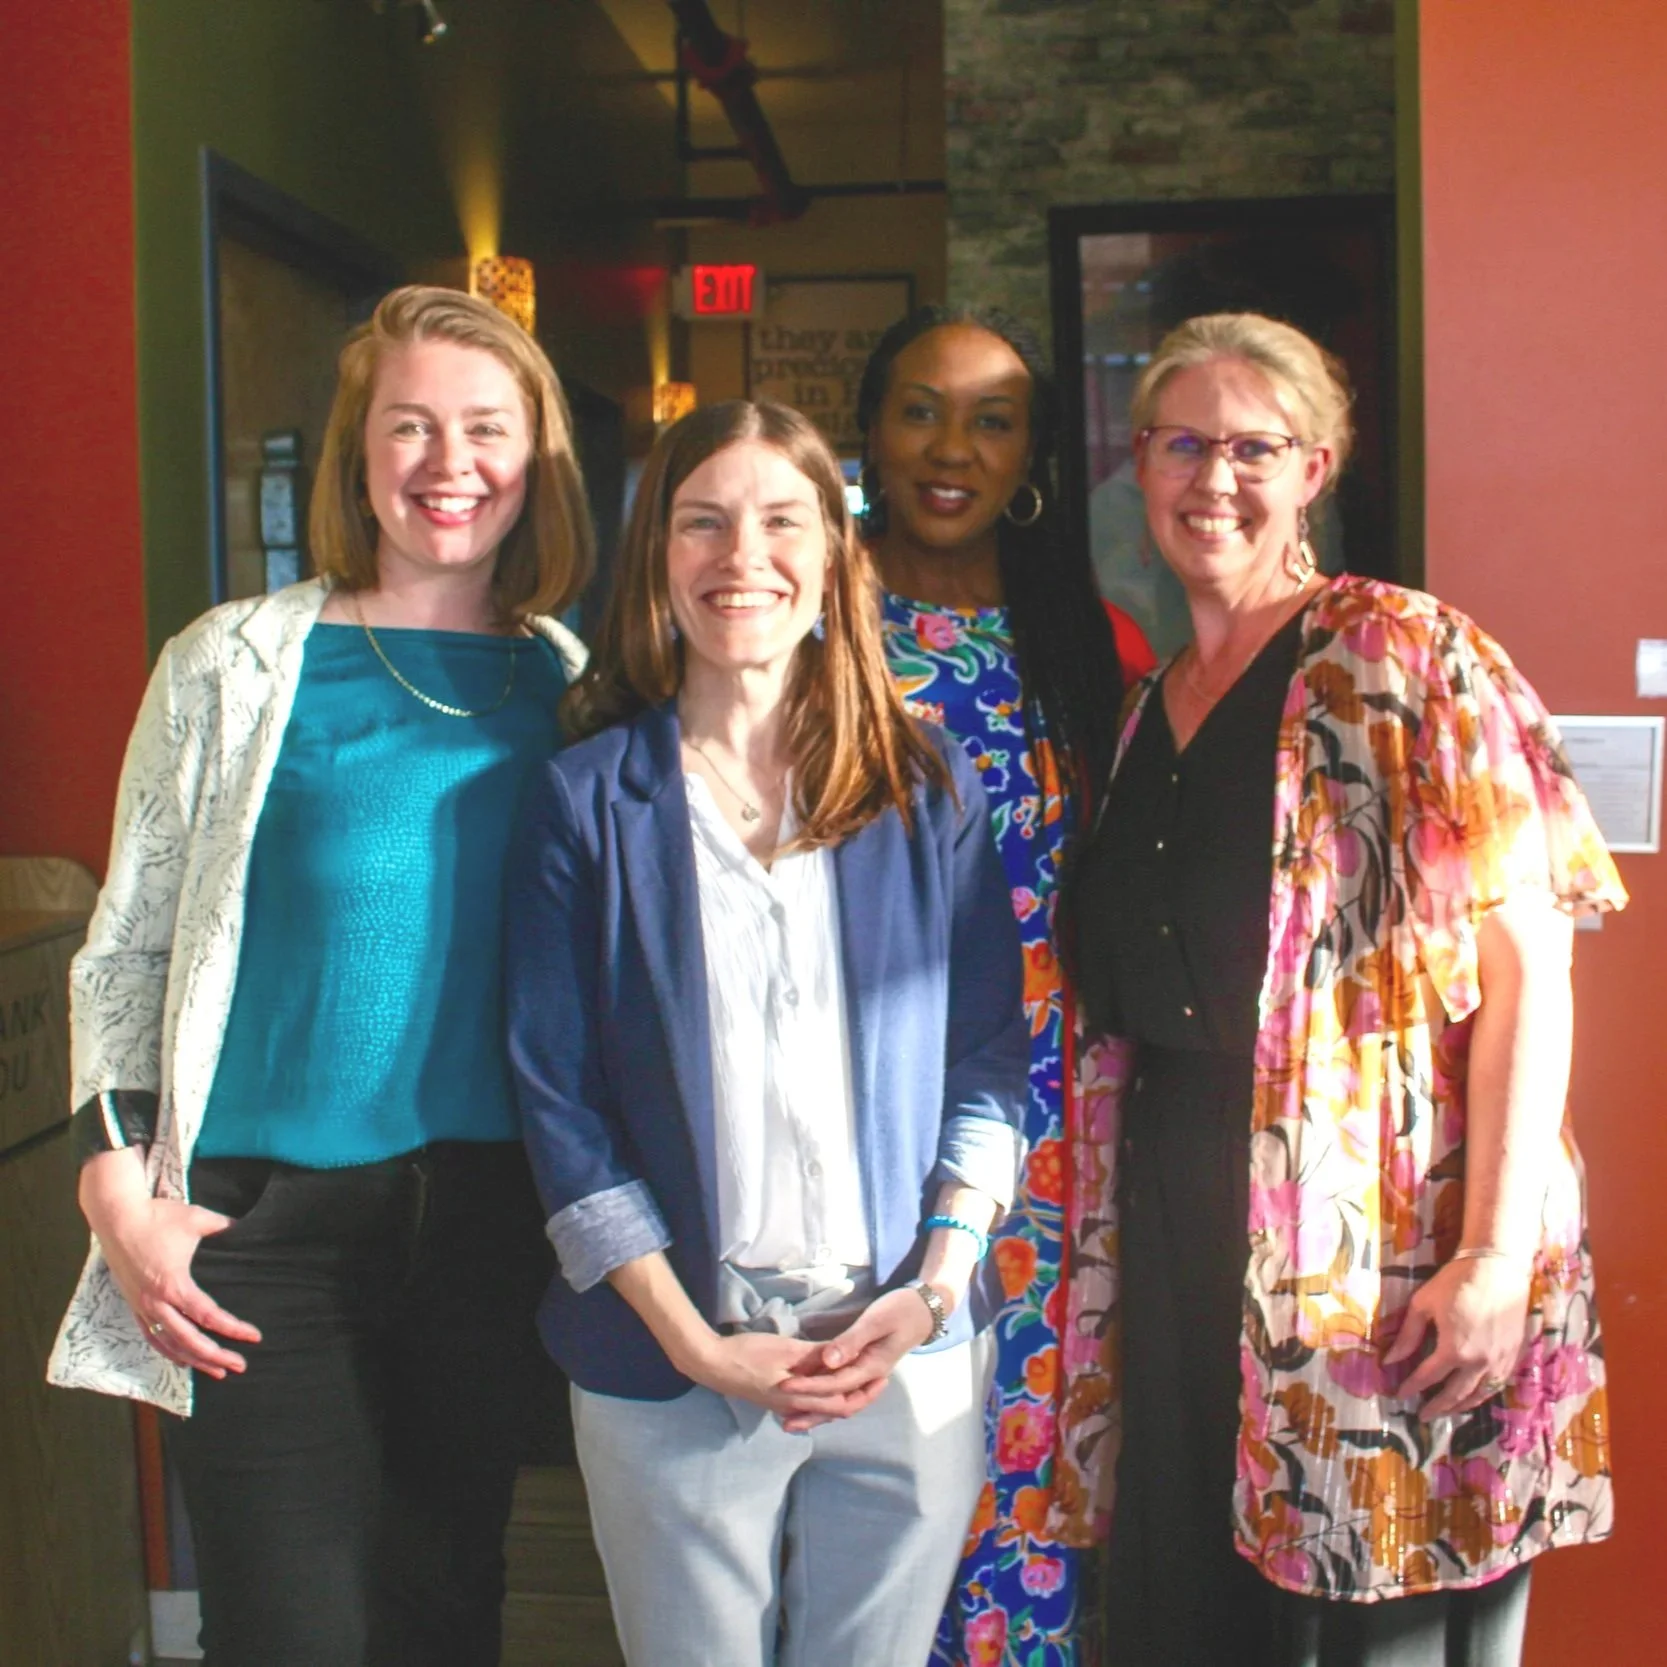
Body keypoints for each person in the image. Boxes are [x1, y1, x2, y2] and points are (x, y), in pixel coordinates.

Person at [1063, 312, 1626, 1664]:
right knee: (1200, 1606)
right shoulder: (1150, 702)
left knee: (1361, 1610)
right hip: (1180, 1212)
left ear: (1314, 465)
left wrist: (1491, 1254)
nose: (1213, 478)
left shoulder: (1406, 653)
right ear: (1136, 464)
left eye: (1252, 446)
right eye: (1181, 443)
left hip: (1375, 1234)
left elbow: (1527, 963)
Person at [49, 285, 593, 1667]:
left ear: (539, 459)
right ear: (358, 450)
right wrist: (115, 1176)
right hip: (253, 1236)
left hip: (486, 1222)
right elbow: (126, 941)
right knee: (289, 1627)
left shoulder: (579, 685)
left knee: (442, 1609)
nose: (447, 462)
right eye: (408, 425)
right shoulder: (231, 662)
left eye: (484, 428)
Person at [504, 398, 1030, 1667]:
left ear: (833, 557)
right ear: (658, 559)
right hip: (670, 1357)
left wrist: (937, 1280)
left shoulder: (924, 786)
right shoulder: (584, 800)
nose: (742, 555)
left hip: (902, 1344)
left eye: (779, 519)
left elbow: (984, 1060)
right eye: (703, 522)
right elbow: (556, 1102)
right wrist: (693, 1340)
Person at [856, 303, 1156, 1666]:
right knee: (871, 1429)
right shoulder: (805, 609)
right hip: (856, 1081)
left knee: (1023, 1436)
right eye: (919, 407)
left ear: (1032, 451)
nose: (949, 447)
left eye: (990, 417)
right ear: (868, 428)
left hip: (1052, 1106)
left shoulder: (1084, 636)